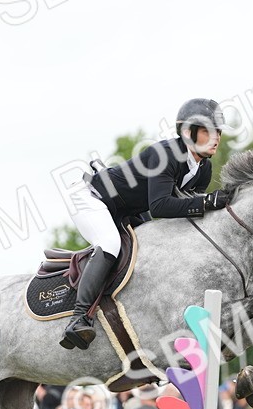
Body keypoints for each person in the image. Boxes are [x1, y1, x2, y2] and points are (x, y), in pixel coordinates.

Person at [60, 98, 230, 351]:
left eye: (218, 131)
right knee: (110, 244)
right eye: (207, 130)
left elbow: (187, 211)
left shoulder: (203, 168)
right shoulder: (166, 154)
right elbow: (160, 206)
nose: (216, 137)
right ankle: (79, 317)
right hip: (91, 197)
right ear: (187, 132)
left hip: (126, 208)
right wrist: (206, 202)